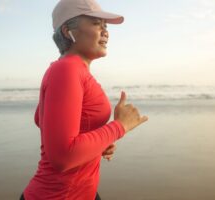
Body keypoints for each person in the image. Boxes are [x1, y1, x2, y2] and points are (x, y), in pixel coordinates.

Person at [21, 0, 148, 199]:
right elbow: (62, 156)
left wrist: (96, 144)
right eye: (97, 23)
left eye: (106, 26)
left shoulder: (69, 69)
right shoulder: (67, 70)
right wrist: (119, 126)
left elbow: (44, 122)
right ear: (67, 31)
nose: (105, 31)